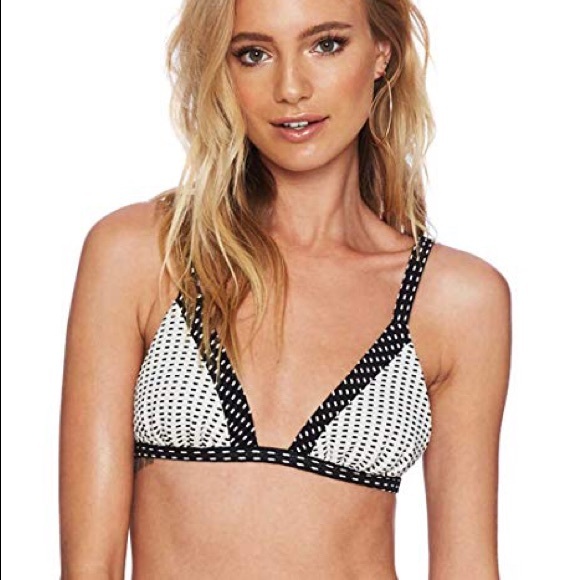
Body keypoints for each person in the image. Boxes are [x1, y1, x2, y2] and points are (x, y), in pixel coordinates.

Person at [58, 0, 512, 578]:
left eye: (326, 45)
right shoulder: (144, 254)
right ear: (222, 70)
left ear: (382, 53)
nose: (291, 88)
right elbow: (88, 567)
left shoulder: (455, 300)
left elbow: (467, 567)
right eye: (254, 54)